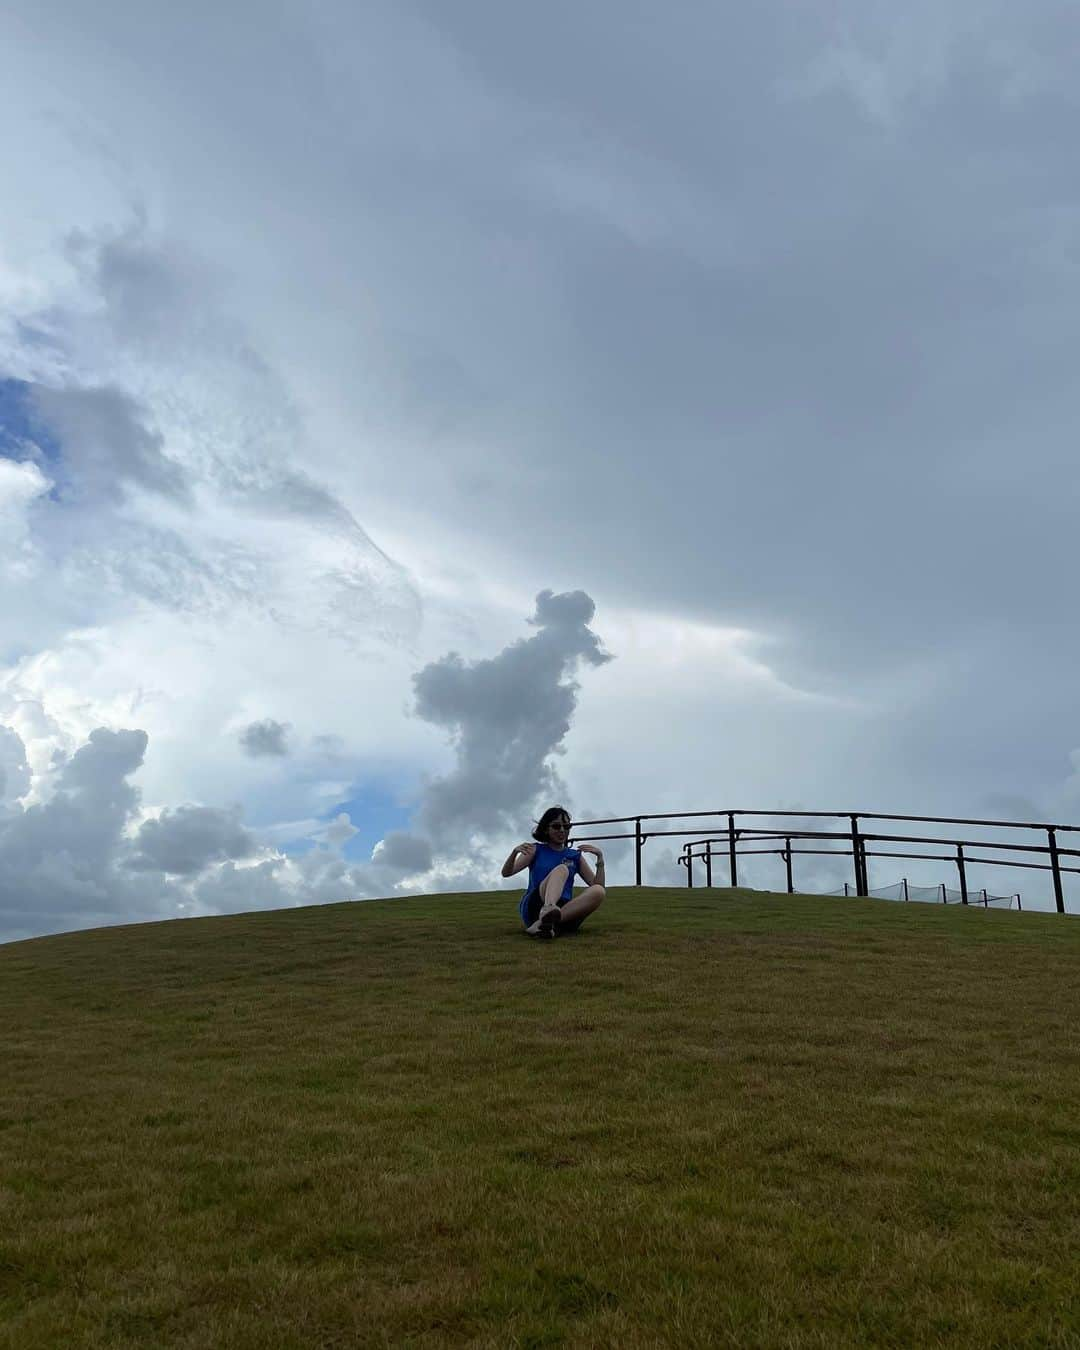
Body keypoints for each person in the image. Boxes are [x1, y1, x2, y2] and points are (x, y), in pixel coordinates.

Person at [500, 805, 606, 939]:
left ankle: (544, 925)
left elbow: (597, 885)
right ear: (546, 829)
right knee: (562, 869)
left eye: (566, 827)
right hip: (536, 906)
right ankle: (547, 910)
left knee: (599, 891)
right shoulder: (535, 850)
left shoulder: (575, 856)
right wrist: (514, 853)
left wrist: (600, 859)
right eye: (556, 826)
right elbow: (507, 873)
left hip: (564, 912)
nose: (562, 830)